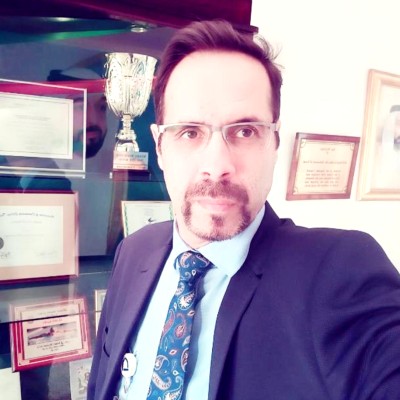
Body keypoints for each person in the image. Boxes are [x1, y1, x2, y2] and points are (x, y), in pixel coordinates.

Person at [88, 20, 400, 400]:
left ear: (274, 143)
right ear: (160, 147)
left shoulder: (340, 272)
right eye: (190, 132)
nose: (217, 165)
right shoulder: (133, 251)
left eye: (245, 131)